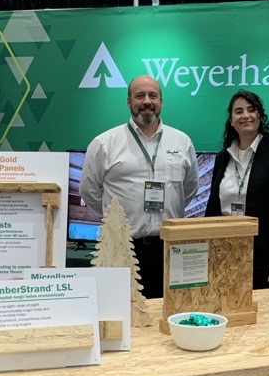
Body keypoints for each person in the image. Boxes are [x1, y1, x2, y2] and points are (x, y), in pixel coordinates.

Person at [80, 75, 198, 298]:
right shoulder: (104, 143)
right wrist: (114, 219)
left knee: (168, 316)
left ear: (161, 101)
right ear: (128, 101)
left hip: (170, 250)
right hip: (122, 248)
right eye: (139, 96)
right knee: (122, 317)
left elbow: (189, 188)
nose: (146, 101)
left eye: (153, 95)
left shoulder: (182, 141)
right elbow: (89, 192)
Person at [205, 90, 269, 290]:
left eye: (251, 110)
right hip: (224, 249)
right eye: (238, 111)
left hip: (261, 253)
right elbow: (213, 207)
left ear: (259, 116)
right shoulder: (222, 157)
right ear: (231, 120)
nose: (245, 115)